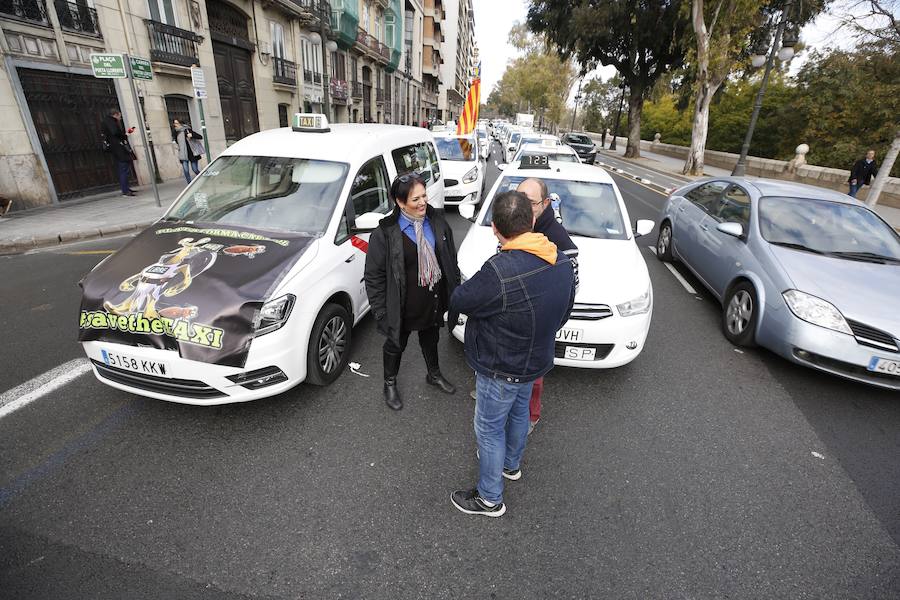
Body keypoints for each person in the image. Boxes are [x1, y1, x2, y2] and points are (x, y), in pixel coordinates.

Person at [449, 191, 575, 517]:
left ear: (495, 228)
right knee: (520, 414)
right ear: (533, 221)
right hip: (536, 361)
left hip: (501, 364)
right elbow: (564, 311)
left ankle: (490, 498)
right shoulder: (561, 260)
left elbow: (461, 299)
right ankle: (511, 465)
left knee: (489, 431)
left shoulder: (500, 270)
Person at [364, 173, 460, 411]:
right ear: (400, 202)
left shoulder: (437, 220)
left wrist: (453, 291)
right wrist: (381, 312)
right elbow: (374, 276)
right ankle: (389, 382)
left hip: (432, 299)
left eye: (424, 196)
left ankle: (434, 374)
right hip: (402, 305)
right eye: (415, 199)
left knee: (431, 338)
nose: (422, 202)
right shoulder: (385, 233)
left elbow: (449, 256)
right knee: (396, 344)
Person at [101, 109, 136, 197]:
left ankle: (126, 188)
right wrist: (125, 135)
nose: (120, 118)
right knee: (124, 169)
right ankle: (125, 190)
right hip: (119, 149)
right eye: (119, 116)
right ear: (115, 115)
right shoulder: (111, 122)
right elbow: (115, 132)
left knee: (123, 169)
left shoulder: (107, 121)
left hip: (116, 148)